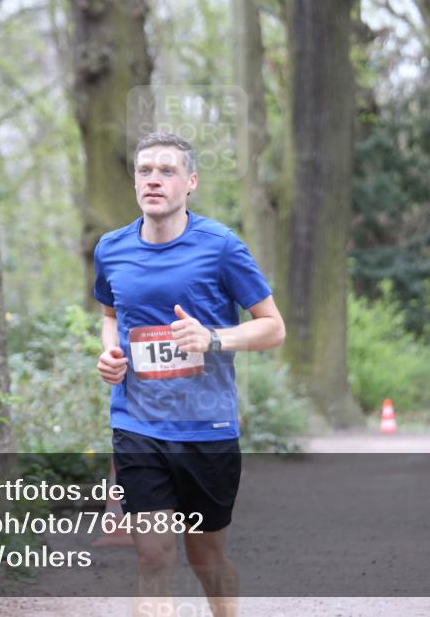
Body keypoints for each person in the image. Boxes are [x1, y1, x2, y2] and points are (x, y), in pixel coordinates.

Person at [93, 132, 285, 617]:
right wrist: (111, 353)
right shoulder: (111, 249)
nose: (153, 179)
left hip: (207, 429)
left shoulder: (220, 246)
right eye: (145, 170)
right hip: (138, 425)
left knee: (206, 558)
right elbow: (110, 312)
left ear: (190, 182)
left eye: (167, 170)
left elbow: (272, 327)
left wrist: (213, 339)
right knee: (153, 555)